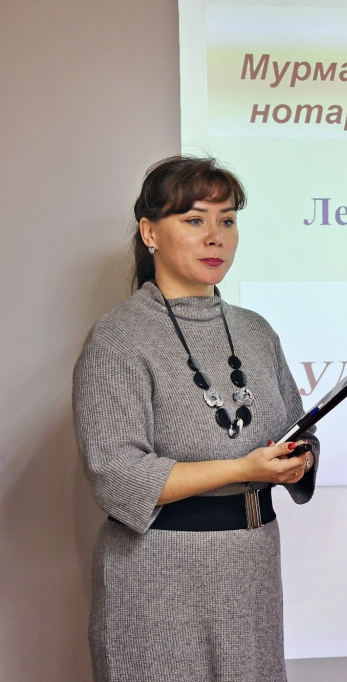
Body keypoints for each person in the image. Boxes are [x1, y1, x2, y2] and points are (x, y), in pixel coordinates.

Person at [73, 156, 319, 682]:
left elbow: (300, 427)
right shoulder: (118, 338)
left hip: (252, 565)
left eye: (227, 220)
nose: (215, 237)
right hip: (156, 575)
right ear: (150, 233)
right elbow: (117, 475)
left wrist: (298, 458)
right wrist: (242, 468)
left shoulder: (255, 330)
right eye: (194, 220)